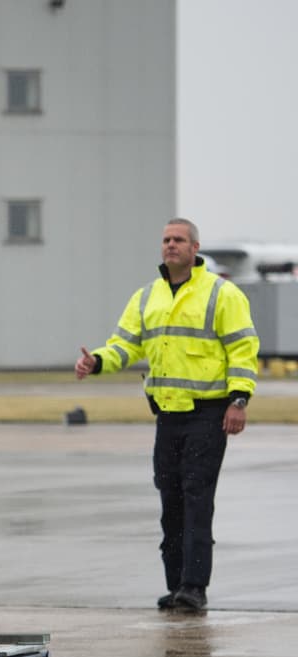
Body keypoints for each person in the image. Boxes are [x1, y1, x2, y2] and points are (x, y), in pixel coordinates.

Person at [75, 217, 258, 611]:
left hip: (209, 414)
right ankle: (176, 585)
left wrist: (239, 400)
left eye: (178, 240)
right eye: (165, 240)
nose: (170, 245)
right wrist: (99, 362)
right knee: (170, 502)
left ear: (195, 248)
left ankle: (195, 586)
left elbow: (243, 349)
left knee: (196, 499)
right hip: (168, 417)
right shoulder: (147, 297)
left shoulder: (221, 294)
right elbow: (124, 345)